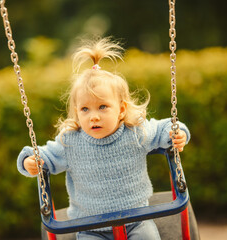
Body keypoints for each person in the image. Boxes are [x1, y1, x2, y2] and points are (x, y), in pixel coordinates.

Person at [17, 37, 190, 239]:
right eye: (85, 109)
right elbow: (43, 155)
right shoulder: (70, 142)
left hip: (137, 221)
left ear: (121, 109)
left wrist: (178, 134)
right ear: (76, 112)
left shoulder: (136, 132)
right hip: (90, 228)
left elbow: (165, 128)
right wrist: (30, 161)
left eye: (102, 106)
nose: (94, 116)